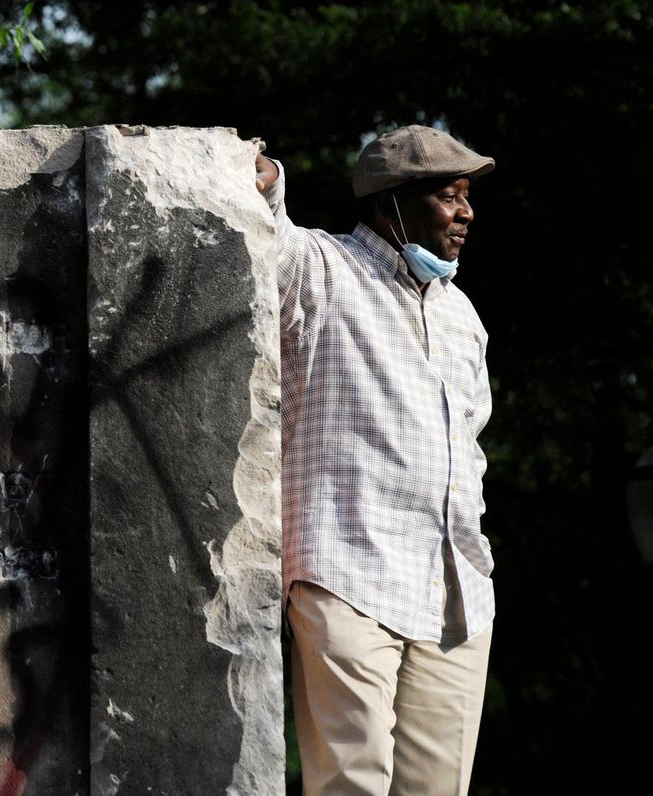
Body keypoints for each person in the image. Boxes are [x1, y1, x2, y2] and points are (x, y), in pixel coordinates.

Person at [254, 125, 496, 795]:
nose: (465, 213)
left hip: (457, 589)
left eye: (467, 197)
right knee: (351, 783)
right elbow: (271, 240)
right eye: (449, 196)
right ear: (393, 201)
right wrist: (268, 181)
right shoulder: (326, 269)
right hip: (347, 571)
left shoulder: (461, 315)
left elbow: (471, 441)